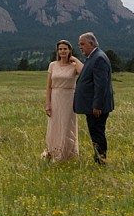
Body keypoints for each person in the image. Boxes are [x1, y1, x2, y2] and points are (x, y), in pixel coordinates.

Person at [72, 32, 115, 165]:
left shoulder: (98, 58)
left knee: (97, 133)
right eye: (79, 45)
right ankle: (99, 158)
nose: (80, 47)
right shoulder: (93, 57)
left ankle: (101, 160)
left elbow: (101, 85)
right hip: (93, 106)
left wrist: (97, 106)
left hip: (96, 107)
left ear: (91, 43)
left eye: (82, 44)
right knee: (95, 133)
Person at [43, 40, 83, 162]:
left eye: (65, 49)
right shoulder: (52, 65)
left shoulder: (73, 66)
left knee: (67, 126)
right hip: (55, 97)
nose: (62, 51)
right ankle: (53, 152)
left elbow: (83, 71)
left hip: (69, 98)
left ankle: (67, 154)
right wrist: (48, 104)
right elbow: (49, 86)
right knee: (54, 126)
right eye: (60, 49)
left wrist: (75, 59)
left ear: (69, 50)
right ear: (57, 51)